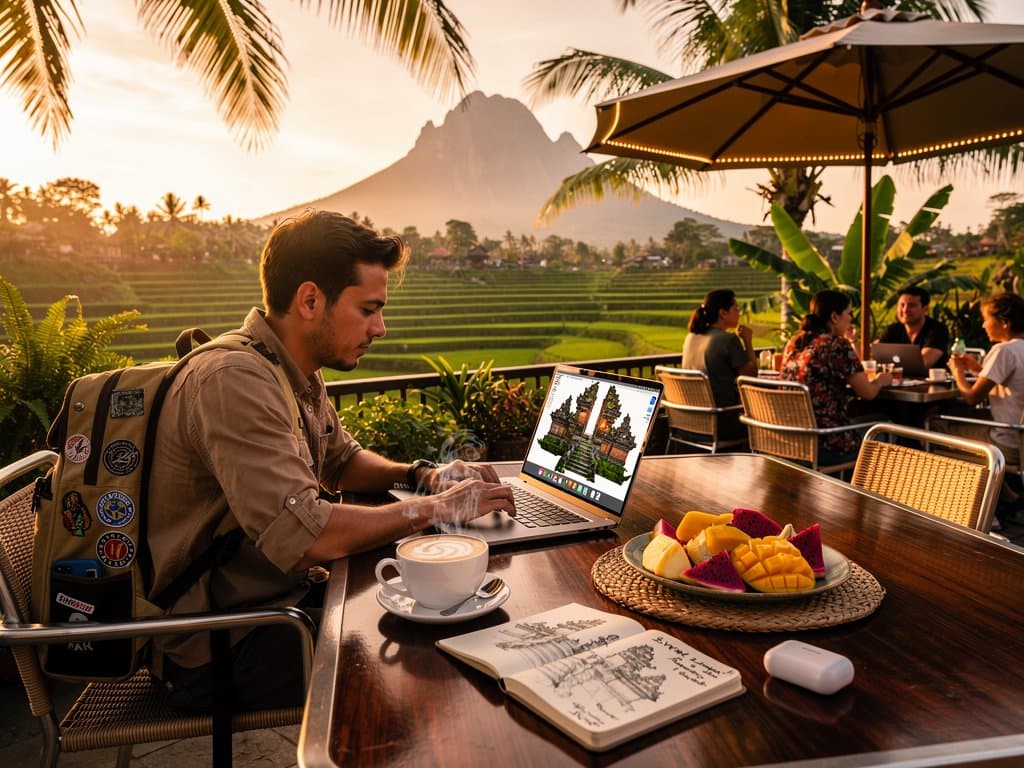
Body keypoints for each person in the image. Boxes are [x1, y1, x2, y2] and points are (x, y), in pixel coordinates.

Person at [147, 210, 515, 712]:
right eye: (368, 309)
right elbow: (306, 538)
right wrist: (438, 509)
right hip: (218, 642)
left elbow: (340, 461)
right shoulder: (233, 380)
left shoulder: (289, 368)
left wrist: (425, 477)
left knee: (434, 611)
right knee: (429, 650)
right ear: (311, 299)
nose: (380, 328)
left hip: (274, 606)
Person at [781, 290, 892, 463]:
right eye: (849, 313)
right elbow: (868, 393)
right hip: (825, 442)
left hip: (791, 440)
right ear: (834, 317)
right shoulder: (835, 345)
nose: (851, 319)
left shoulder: (795, 343)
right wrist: (881, 380)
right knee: (888, 429)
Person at [948, 292, 1024, 525]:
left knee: (934, 425)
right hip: (1020, 436)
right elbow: (1006, 382)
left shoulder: (1004, 351)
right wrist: (976, 369)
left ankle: (976, 510)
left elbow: (971, 397)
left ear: (1004, 322)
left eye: (986, 318)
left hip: (1007, 441)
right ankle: (1010, 497)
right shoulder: (1018, 349)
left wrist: (957, 373)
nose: (982, 324)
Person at [681, 289, 757, 439]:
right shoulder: (727, 340)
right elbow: (751, 375)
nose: (739, 313)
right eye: (736, 308)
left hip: (688, 422)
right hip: (720, 422)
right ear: (723, 313)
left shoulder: (691, 336)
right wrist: (747, 341)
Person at [876, 286, 950, 369]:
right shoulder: (893, 329)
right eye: (902, 305)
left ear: (925, 309)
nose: (905, 309)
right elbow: (874, 355)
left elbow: (924, 362)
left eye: (911, 305)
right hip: (897, 380)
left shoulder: (937, 329)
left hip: (931, 381)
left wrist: (889, 364)